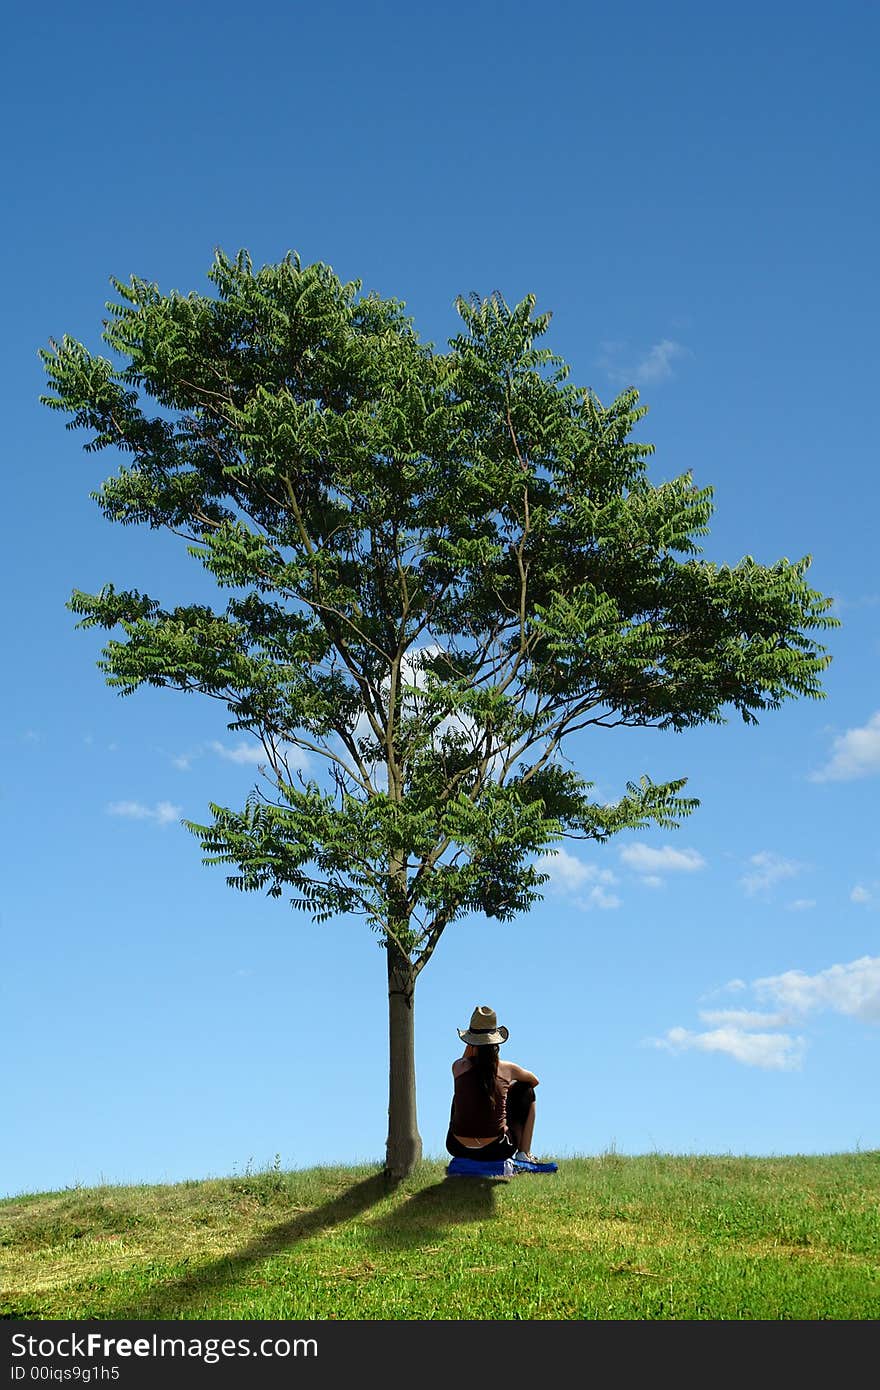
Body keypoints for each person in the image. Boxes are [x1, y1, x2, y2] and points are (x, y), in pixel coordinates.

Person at [445, 1005, 543, 1164]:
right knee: (527, 1091)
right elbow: (534, 1081)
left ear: (470, 1042)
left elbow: (465, 1061)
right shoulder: (507, 1069)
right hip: (497, 1149)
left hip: (457, 1147)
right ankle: (524, 1153)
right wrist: (506, 1088)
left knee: (460, 1093)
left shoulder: (458, 1067)